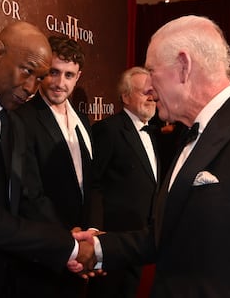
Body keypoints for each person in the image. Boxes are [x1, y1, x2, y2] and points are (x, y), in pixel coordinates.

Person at [72, 14, 230, 298]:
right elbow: (166, 237)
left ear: (183, 66)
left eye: (152, 71)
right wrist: (98, 248)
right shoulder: (189, 134)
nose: (150, 89)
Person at [0, 21, 90, 298]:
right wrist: (67, 247)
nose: (31, 87)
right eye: (27, 71)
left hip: (6, 279)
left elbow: (26, 197)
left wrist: (67, 236)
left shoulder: (13, 121)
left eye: (38, 78)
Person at [15, 35, 101, 298]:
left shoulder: (83, 122)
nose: (59, 83)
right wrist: (66, 238)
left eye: (68, 75)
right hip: (41, 255)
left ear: (78, 76)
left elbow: (93, 184)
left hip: (79, 253)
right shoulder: (23, 119)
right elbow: (29, 191)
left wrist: (92, 236)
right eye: (53, 72)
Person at [87, 66, 159, 298]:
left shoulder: (154, 133)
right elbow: (93, 183)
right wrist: (96, 232)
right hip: (114, 241)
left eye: (153, 92)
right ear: (125, 96)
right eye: (144, 92)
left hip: (141, 240)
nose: (152, 97)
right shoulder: (108, 130)